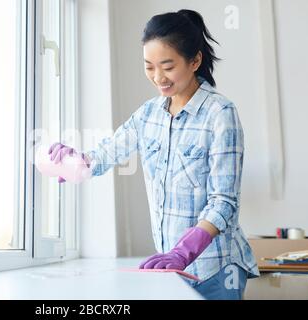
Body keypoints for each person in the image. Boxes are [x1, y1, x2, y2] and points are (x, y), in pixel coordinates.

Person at [48, 9, 259, 300]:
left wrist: (185, 251)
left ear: (194, 60)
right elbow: (107, 152)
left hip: (218, 269)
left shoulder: (220, 114)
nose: (158, 77)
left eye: (168, 66)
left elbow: (224, 202)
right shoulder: (148, 115)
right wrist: (76, 162)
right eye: (149, 67)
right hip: (172, 269)